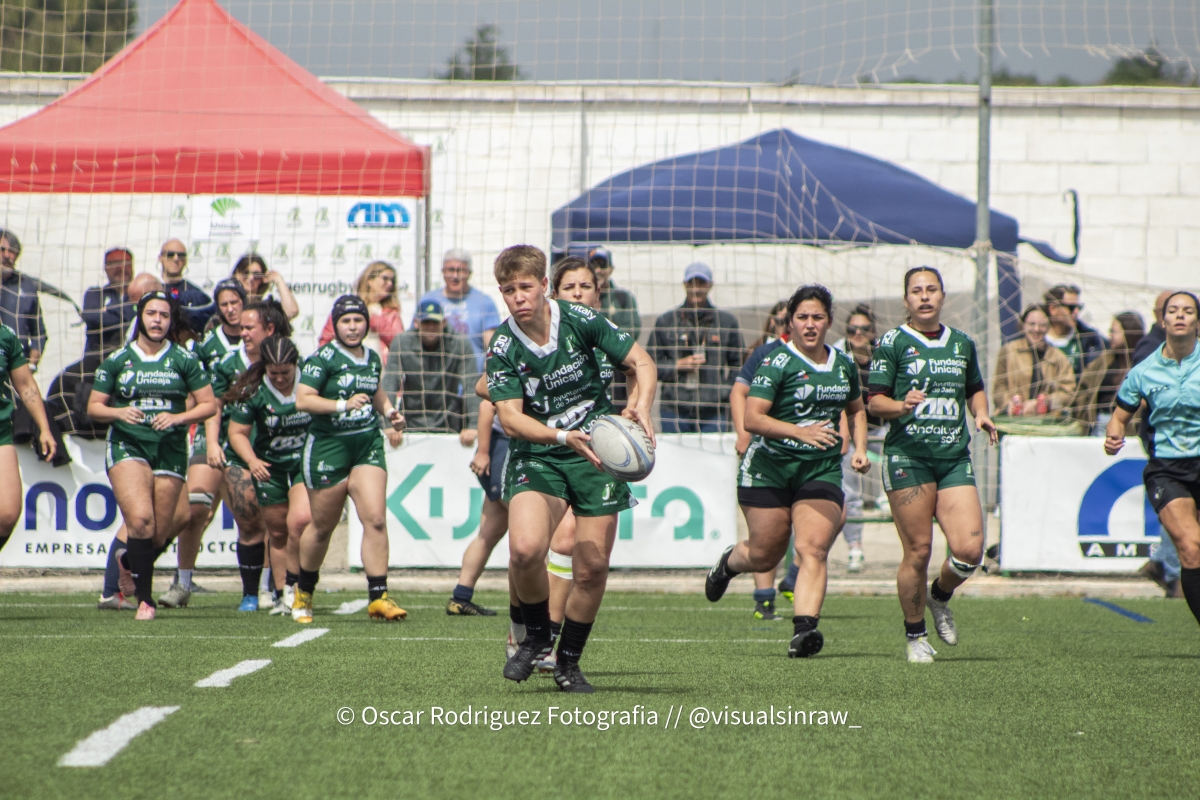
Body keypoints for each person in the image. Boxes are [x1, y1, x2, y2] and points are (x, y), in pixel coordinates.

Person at [486, 245, 656, 693]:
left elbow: (641, 362)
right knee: (524, 551)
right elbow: (510, 416)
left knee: (592, 567)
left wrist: (640, 407)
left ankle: (569, 662)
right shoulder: (503, 345)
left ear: (543, 286)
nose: (518, 298)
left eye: (525, 287)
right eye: (508, 291)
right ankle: (537, 635)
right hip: (540, 454)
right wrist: (563, 437)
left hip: (596, 453)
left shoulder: (580, 320)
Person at [707, 283, 870, 657]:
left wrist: (860, 448)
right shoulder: (776, 361)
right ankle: (728, 564)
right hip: (770, 468)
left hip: (820, 469)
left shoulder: (843, 363)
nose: (810, 325)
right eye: (802, 317)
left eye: (817, 317)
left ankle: (804, 631)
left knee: (813, 548)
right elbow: (752, 417)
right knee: (764, 555)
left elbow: (857, 409)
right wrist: (800, 431)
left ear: (829, 321)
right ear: (790, 322)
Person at [867, 266, 998, 663]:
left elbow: (974, 387)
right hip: (909, 458)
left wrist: (981, 414)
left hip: (953, 457)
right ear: (906, 300)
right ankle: (915, 637)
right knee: (919, 551)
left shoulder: (962, 344)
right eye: (916, 291)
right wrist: (900, 404)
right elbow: (874, 401)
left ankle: (939, 597)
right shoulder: (892, 342)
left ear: (943, 296)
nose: (924, 297)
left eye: (932, 290)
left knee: (970, 550)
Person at [87, 292, 216, 620]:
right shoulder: (118, 359)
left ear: (171, 320)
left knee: (158, 532)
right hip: (129, 445)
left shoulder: (184, 360)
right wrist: (118, 413)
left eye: (164, 315)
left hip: (169, 448)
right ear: (140, 317)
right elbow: (94, 407)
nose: (157, 320)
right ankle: (145, 600)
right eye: (151, 313)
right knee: (141, 521)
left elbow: (208, 404)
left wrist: (178, 418)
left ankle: (128, 564)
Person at [293, 294, 408, 623]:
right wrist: (343, 405)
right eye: (346, 321)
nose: (353, 326)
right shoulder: (322, 359)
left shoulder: (372, 357)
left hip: (366, 444)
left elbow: (374, 390)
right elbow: (303, 400)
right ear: (336, 324)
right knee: (321, 529)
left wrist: (389, 412)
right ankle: (303, 592)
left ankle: (378, 597)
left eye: (358, 320)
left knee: (375, 519)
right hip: (328, 448)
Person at [1104, 290, 1200, 631]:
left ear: (1197, 322)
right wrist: (1114, 433)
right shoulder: (1144, 371)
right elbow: (1119, 416)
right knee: (1191, 549)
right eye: (1173, 311)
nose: (1179, 316)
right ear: (1163, 320)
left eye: (1187, 311)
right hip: (1167, 469)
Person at [157, 279, 247, 607]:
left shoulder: (262, 341)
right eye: (223, 304)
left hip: (251, 438)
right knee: (195, 510)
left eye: (235, 302)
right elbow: (206, 398)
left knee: (255, 515)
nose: (230, 309)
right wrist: (209, 438)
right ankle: (182, 584)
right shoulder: (207, 346)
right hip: (214, 435)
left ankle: (264, 588)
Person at [195, 299, 290, 612]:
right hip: (238, 452)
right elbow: (214, 405)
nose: (243, 332)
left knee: (282, 525)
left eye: (249, 327)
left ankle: (280, 590)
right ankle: (251, 593)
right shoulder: (226, 363)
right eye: (242, 328)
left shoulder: (285, 361)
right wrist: (212, 443)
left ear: (270, 329)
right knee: (250, 523)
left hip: (279, 454)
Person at [225, 335, 313, 615]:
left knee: (299, 521)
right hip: (268, 467)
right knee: (276, 532)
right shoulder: (253, 389)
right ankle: (284, 594)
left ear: (295, 366)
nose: (279, 379)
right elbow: (237, 433)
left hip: (302, 463)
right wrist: (252, 461)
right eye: (273, 373)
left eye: (285, 373)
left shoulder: (311, 380)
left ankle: (300, 585)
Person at [730, 301, 791, 620]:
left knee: (836, 517)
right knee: (767, 533)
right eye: (779, 318)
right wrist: (743, 432)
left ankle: (794, 581)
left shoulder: (828, 356)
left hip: (810, 456)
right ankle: (764, 599)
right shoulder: (763, 353)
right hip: (769, 454)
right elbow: (738, 392)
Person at [46, 248, 136, 436]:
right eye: (114, 263)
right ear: (105, 268)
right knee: (63, 384)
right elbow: (93, 317)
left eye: (126, 263)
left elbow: (132, 319)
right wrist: (126, 315)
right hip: (96, 362)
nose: (121, 268)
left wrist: (110, 314)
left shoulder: (139, 295)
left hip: (130, 363)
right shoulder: (95, 293)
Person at [650, 262, 744, 432]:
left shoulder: (726, 322)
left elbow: (739, 364)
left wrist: (725, 391)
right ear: (684, 284)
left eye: (701, 283)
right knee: (675, 458)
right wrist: (677, 365)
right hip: (674, 410)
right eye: (692, 283)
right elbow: (648, 365)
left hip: (713, 412)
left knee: (715, 459)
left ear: (710, 285)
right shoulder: (666, 321)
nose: (696, 289)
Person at [1131, 291, 1182, 596]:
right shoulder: (1150, 347)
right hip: (1163, 439)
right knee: (1178, 502)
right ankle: (1175, 575)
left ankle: (1161, 562)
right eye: (1172, 311)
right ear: (1159, 316)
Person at [0, 320, 56, 556]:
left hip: (1, 431)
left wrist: (44, 428)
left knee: (8, 513)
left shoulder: (5, 335)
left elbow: (25, 385)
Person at [381, 300, 477, 435]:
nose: (431, 327)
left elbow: (471, 386)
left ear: (444, 323)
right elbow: (390, 383)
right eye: (426, 323)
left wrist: (474, 426)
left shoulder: (460, 343)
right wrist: (388, 425)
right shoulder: (402, 342)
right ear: (416, 323)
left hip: (450, 424)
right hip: (410, 423)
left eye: (435, 322)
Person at [419, 248, 501, 371]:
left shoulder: (485, 302)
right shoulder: (428, 300)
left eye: (461, 270)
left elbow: (493, 347)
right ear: (443, 271)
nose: (455, 276)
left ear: (469, 273)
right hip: (436, 380)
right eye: (450, 270)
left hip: (472, 379)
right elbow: (415, 338)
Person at [991, 304, 1077, 417]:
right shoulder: (1009, 351)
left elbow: (1068, 392)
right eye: (1032, 324)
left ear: (1048, 327)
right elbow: (999, 387)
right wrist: (1009, 404)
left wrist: (1044, 402)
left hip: (1046, 422)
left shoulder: (1058, 357)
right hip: (1014, 420)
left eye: (1042, 325)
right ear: (1023, 326)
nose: (1036, 329)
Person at [1072, 312, 1146, 435]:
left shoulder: (1143, 362)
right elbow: (1083, 387)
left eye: (1114, 332)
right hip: (1099, 423)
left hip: (1129, 428)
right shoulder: (1104, 360)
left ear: (1129, 333)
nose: (1110, 335)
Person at [318, 261, 404, 359]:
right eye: (385, 279)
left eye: (392, 281)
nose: (389, 284)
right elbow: (325, 340)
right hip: (345, 368)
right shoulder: (346, 307)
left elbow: (400, 345)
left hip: (379, 370)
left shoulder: (391, 313)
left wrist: (375, 321)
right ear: (370, 280)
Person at [0, 229, 46, 370]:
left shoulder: (25, 285)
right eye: (2, 250)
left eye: (12, 251)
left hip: (17, 366)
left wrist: (31, 364)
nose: (7, 255)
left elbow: (38, 331)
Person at [1044, 284, 1106, 376]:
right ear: (1053, 309)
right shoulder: (1036, 338)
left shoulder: (1090, 339)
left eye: (1079, 307)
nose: (1076, 312)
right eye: (1071, 308)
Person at [158, 239, 214, 333]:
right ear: (160, 258)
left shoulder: (196, 293)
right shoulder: (150, 287)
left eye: (181, 255)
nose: (176, 259)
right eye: (170, 254)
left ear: (186, 260)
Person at [589, 247, 641, 340]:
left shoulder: (623, 298)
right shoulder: (580, 297)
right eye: (593, 266)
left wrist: (602, 338)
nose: (598, 270)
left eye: (602, 265)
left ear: (611, 269)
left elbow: (633, 330)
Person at [232, 254, 299, 320]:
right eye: (246, 273)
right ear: (237, 273)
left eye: (257, 274)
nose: (251, 278)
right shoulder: (227, 304)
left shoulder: (267, 308)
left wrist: (278, 279)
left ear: (262, 278)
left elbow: (291, 312)